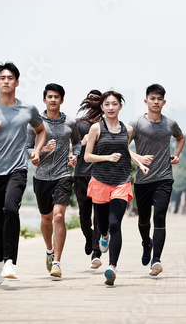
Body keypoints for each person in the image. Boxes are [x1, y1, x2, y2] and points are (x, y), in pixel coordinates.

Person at [0, 62, 46, 285]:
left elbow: (40, 130)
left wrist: (37, 151)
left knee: (11, 209)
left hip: (18, 169)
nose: (6, 81)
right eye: (2, 78)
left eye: (10, 78)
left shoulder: (28, 109)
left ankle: (10, 262)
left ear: (17, 82)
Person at [84, 90, 149, 286]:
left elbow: (125, 150)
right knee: (103, 225)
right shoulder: (96, 128)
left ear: (120, 106)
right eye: (107, 104)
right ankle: (103, 237)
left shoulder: (127, 129)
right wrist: (106, 157)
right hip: (100, 181)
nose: (111, 107)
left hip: (121, 181)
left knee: (115, 224)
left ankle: (112, 267)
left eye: (115, 104)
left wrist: (140, 163)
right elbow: (87, 156)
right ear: (102, 107)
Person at [129, 84, 185, 276]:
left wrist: (176, 155)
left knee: (159, 217)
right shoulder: (136, 124)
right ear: (146, 101)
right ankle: (146, 243)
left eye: (159, 99)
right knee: (144, 220)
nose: (155, 102)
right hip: (142, 180)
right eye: (152, 98)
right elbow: (122, 146)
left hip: (164, 178)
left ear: (164, 102)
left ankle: (156, 259)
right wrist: (138, 159)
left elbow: (180, 138)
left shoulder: (170, 124)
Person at [26, 83, 81, 278]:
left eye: (56, 97)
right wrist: (40, 150)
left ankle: (57, 262)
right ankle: (49, 251)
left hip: (63, 174)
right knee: (46, 219)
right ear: (44, 100)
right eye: (49, 96)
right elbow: (27, 149)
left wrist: (75, 156)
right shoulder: (35, 124)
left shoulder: (70, 123)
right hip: (41, 176)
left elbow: (77, 142)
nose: (53, 100)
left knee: (58, 216)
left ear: (61, 100)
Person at [75, 90, 104, 269]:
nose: (93, 101)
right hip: (80, 175)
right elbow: (70, 147)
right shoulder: (78, 125)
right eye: (90, 98)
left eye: (96, 99)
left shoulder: (107, 124)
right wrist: (82, 143)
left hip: (101, 175)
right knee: (84, 216)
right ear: (86, 101)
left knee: (99, 215)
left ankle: (96, 251)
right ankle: (89, 237)